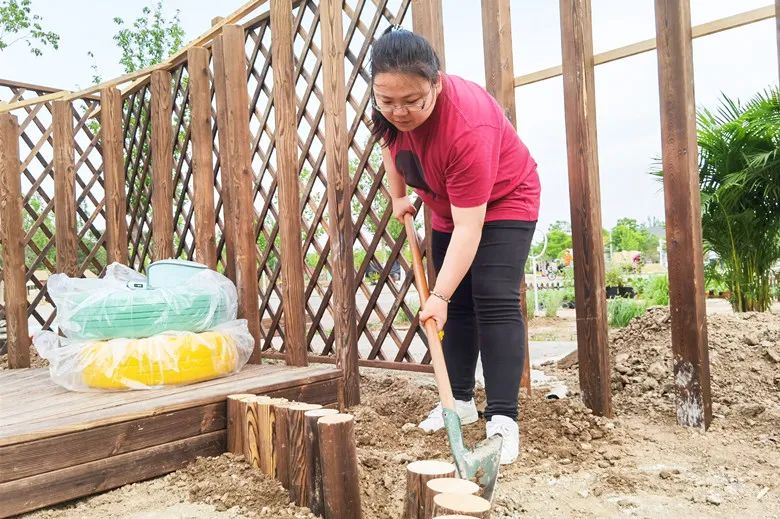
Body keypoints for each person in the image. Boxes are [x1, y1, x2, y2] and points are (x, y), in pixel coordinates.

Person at [370, 26, 541, 465]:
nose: (399, 111)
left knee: (493, 298)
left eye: (412, 101)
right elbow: (389, 144)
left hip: (505, 200)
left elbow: (470, 228)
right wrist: (398, 196)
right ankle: (460, 401)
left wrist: (439, 295)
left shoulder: (467, 125)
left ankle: (503, 418)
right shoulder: (389, 108)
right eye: (387, 101)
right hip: (448, 207)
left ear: (437, 83)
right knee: (459, 306)